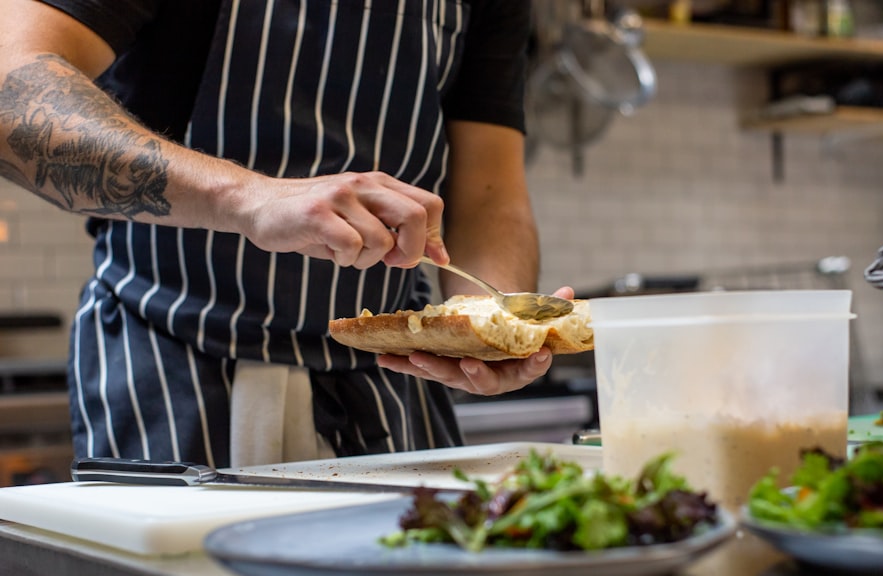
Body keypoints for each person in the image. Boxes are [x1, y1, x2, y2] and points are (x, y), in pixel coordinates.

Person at [0, 0, 571, 469]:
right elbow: (9, 89)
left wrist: (486, 323)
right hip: (170, 367)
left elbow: (490, 191)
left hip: (391, 386)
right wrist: (249, 197)